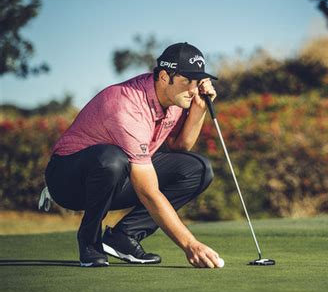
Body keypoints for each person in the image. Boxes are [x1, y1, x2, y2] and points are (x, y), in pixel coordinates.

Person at [44, 42, 221, 268]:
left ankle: (123, 237)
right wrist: (190, 244)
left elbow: (179, 146)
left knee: (198, 168)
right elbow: (148, 192)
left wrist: (199, 108)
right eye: (187, 81)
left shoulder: (175, 99)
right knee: (112, 160)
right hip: (67, 181)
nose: (193, 89)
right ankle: (89, 240)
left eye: (197, 82)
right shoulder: (127, 107)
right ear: (165, 77)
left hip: (116, 173)